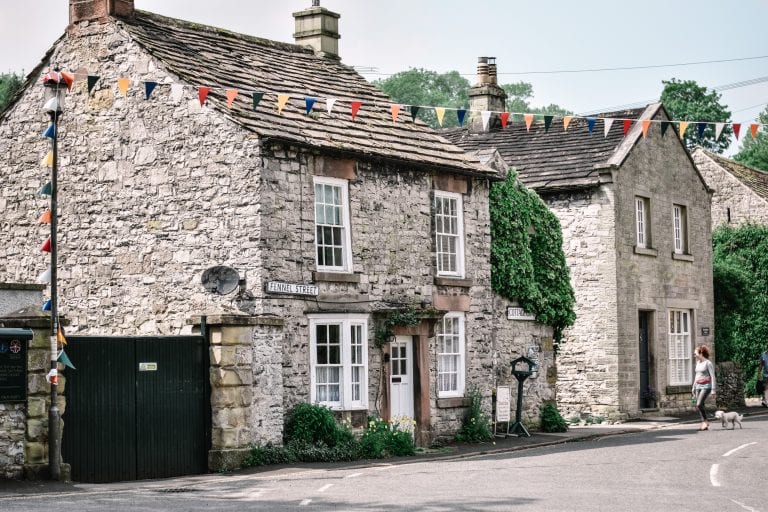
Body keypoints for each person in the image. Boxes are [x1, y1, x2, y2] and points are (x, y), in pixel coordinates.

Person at [692, 345, 716, 431]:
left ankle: (705, 421)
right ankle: (704, 423)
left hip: (706, 386)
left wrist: (713, 389)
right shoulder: (698, 363)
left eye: (695, 354)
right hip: (698, 385)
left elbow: (712, 376)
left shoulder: (708, 363)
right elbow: (697, 375)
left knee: (699, 403)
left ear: (701, 353)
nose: (694, 355)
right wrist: (693, 387)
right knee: (700, 405)